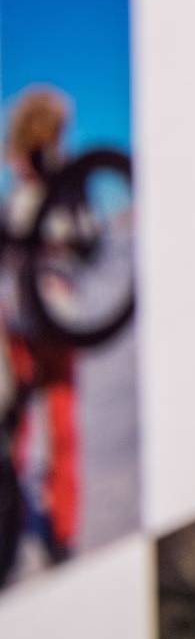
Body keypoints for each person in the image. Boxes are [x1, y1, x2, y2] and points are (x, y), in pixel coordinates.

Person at [3, 89, 83, 570]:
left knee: (60, 426)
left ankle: (63, 529)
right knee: (19, 426)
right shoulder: (18, 201)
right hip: (21, 326)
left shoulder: (66, 193)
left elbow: (78, 246)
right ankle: (12, 517)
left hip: (57, 324)